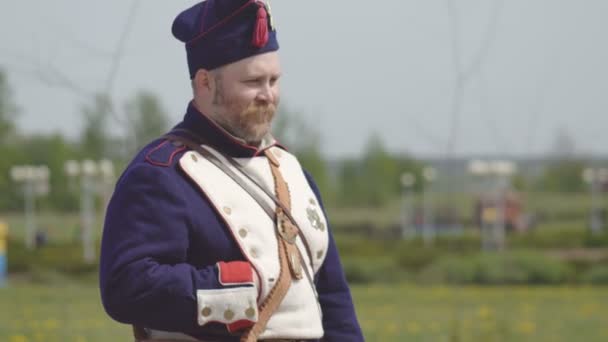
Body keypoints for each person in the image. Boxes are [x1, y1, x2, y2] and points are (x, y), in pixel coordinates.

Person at [99, 1, 363, 341]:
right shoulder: (161, 175)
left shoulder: (292, 171)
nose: (268, 95)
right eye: (254, 81)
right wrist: (235, 290)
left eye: (273, 80)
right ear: (206, 83)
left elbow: (333, 304)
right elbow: (126, 285)